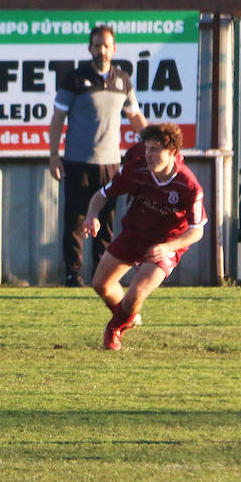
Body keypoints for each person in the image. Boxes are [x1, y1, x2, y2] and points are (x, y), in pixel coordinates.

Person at [83, 122, 207, 350]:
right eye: (147, 147)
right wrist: (92, 214)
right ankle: (128, 317)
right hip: (134, 234)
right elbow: (101, 195)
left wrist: (170, 247)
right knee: (100, 284)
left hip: (164, 244)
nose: (148, 154)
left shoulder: (188, 186)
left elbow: (197, 230)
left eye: (155, 149)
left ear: (172, 152)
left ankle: (114, 329)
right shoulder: (136, 168)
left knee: (135, 294)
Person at [47, 24, 146, 287]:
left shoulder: (123, 80)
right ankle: (73, 275)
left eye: (106, 45)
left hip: (111, 165)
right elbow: (57, 119)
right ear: (90, 48)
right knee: (76, 220)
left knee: (106, 222)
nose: (101, 50)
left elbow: (135, 117)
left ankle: (101, 278)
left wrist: (153, 145)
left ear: (114, 49)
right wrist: (54, 156)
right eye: (96, 45)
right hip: (78, 162)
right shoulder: (74, 79)